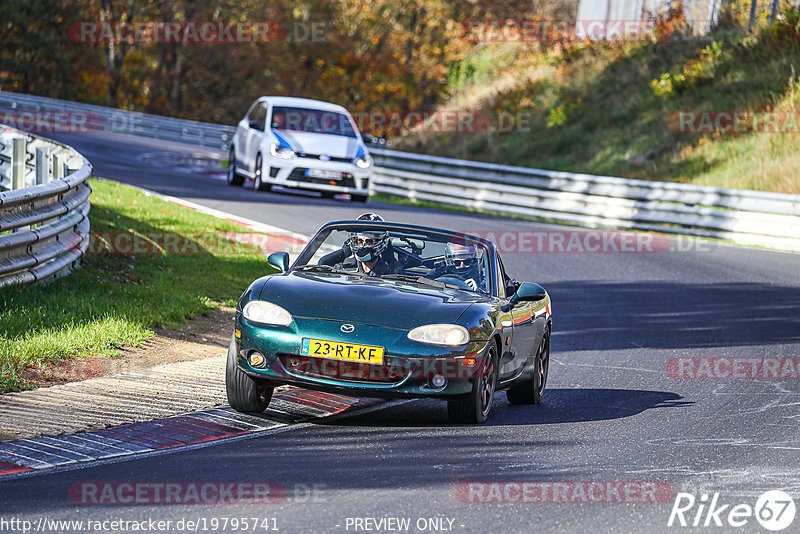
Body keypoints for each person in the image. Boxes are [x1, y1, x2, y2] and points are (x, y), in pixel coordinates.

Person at [318, 213, 401, 276]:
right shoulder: (344, 267)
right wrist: (344, 252)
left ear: (381, 243)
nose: (363, 246)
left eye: (369, 241)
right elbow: (321, 265)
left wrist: (390, 259)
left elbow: (401, 281)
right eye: (359, 241)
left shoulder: (389, 271)